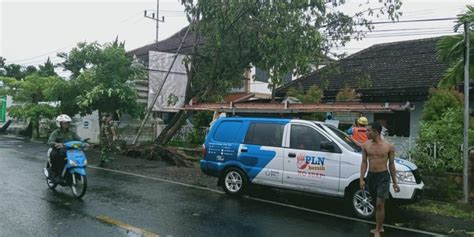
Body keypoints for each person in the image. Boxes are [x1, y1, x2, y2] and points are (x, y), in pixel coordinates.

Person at [359, 121, 400, 237]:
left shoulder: (389, 147)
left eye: (368, 130)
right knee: (375, 203)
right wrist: (361, 179)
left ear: (376, 132)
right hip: (371, 176)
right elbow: (364, 163)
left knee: (379, 204)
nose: (366, 132)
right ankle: (380, 225)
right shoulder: (365, 145)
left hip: (383, 176)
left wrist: (395, 182)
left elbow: (391, 165)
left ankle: (377, 229)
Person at [47, 114, 81, 181]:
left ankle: (74, 173)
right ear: (59, 124)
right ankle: (54, 174)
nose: (66, 124)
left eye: (67, 123)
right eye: (64, 123)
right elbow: (50, 141)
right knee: (55, 156)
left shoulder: (71, 133)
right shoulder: (56, 133)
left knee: (77, 157)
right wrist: (56, 144)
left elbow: (78, 139)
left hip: (69, 150)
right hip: (58, 150)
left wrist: (84, 142)